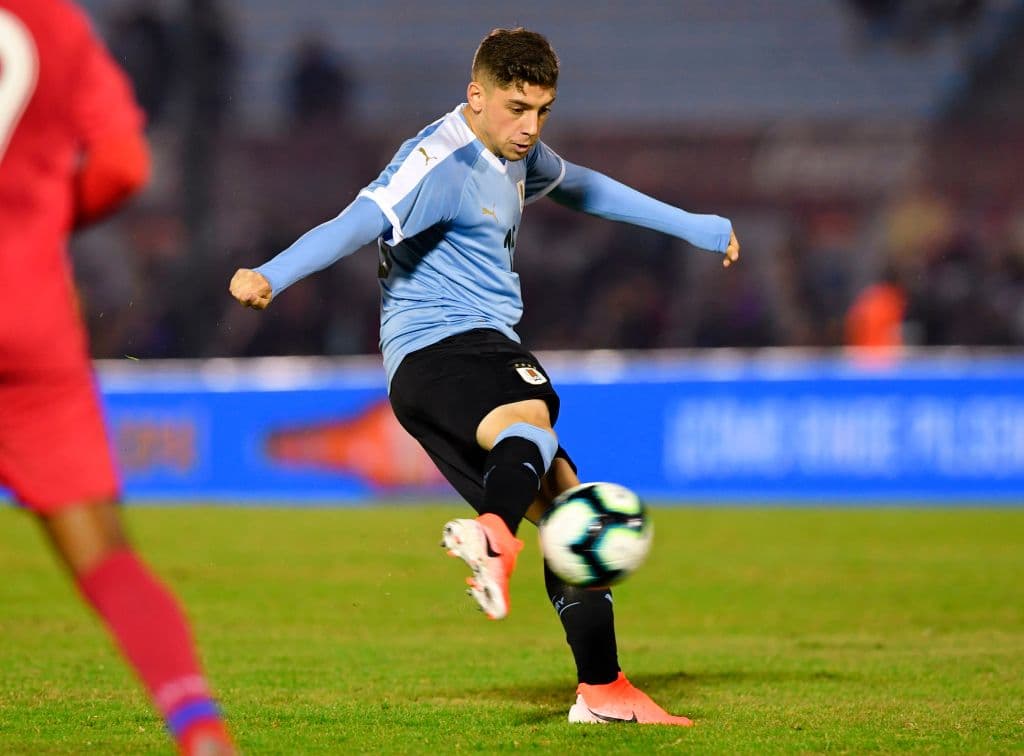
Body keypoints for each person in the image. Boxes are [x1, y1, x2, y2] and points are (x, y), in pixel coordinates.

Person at [230, 27, 739, 726]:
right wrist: (272, 274)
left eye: (543, 111)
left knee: (570, 513)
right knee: (531, 414)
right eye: (516, 108)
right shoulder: (436, 161)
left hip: (455, 358)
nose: (530, 127)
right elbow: (357, 220)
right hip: (442, 347)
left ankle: (603, 690)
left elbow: (584, 187)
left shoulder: (514, 151)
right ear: (477, 97)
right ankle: (494, 533)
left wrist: (695, 226)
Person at [0, 2, 234, 753]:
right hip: (24, 308)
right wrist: (38, 221)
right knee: (105, 554)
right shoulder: (53, 23)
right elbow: (125, 164)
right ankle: (200, 730)